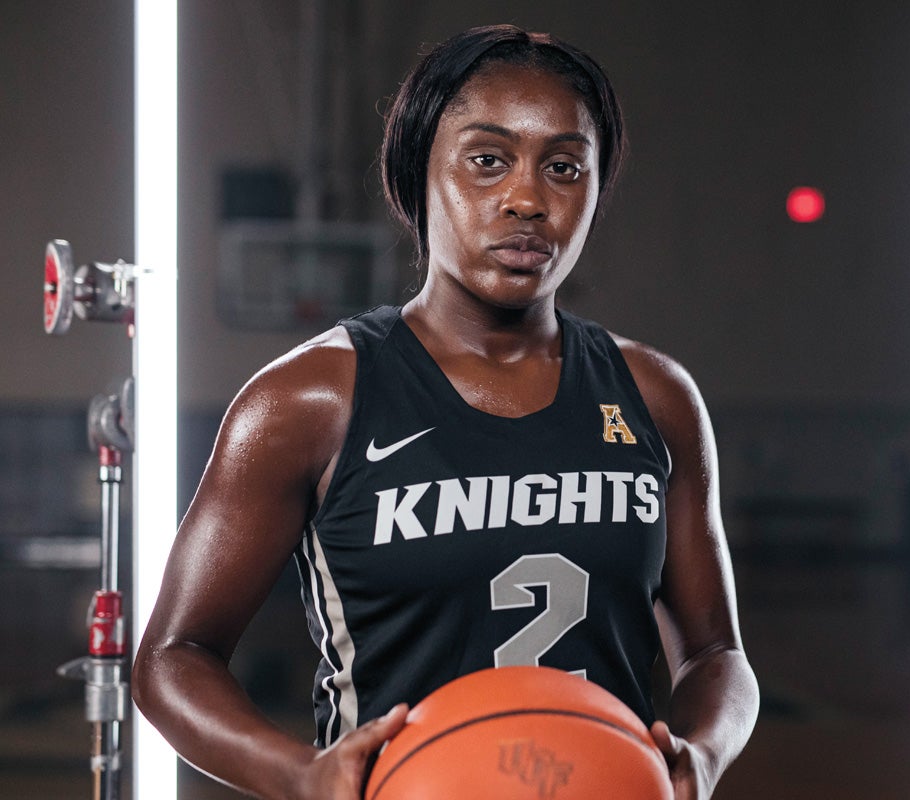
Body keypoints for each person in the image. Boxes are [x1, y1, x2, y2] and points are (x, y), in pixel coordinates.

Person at [132, 24, 758, 800]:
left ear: (596, 190)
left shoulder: (655, 397)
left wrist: (703, 751)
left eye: (564, 167)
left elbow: (714, 654)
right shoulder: (310, 401)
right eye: (487, 160)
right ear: (416, 172)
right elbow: (173, 656)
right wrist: (301, 774)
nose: (527, 199)